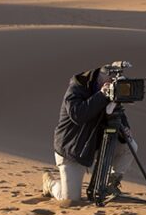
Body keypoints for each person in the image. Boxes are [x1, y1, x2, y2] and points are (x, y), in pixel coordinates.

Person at [44, 64, 138, 202]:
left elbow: (119, 117)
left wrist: (125, 131)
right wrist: (101, 95)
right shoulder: (77, 88)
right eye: (110, 80)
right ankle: (51, 184)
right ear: (99, 78)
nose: (112, 83)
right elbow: (78, 115)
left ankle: (110, 184)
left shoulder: (110, 94)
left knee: (129, 146)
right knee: (70, 199)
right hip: (73, 150)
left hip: (93, 146)